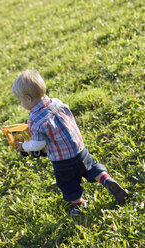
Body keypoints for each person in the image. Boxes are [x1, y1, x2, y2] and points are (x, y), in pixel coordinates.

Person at [12, 70, 128, 215]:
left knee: (68, 183)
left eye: (20, 100)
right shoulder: (57, 103)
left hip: (63, 161)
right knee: (91, 167)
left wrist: (24, 146)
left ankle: (79, 205)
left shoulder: (36, 120)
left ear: (28, 98)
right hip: (79, 149)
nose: (21, 103)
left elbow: (38, 144)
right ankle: (105, 179)